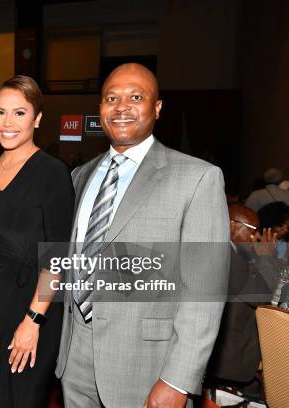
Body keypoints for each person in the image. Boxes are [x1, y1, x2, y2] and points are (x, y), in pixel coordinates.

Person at [55, 63, 230, 408]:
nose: (121, 107)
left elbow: (205, 292)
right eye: (111, 98)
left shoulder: (197, 178)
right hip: (74, 358)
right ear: (100, 109)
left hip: (148, 366)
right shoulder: (79, 176)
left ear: (157, 108)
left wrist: (178, 380)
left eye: (136, 97)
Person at [0, 75, 74, 407]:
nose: (8, 122)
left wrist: (33, 321)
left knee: (18, 398)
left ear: (37, 118)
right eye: (0, 112)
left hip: (28, 308)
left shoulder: (52, 172)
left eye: (19, 113)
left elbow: (58, 256)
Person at [206, 204, 278, 400]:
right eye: (252, 230)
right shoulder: (226, 256)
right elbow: (264, 297)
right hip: (226, 358)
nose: (255, 237)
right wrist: (266, 258)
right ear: (231, 225)